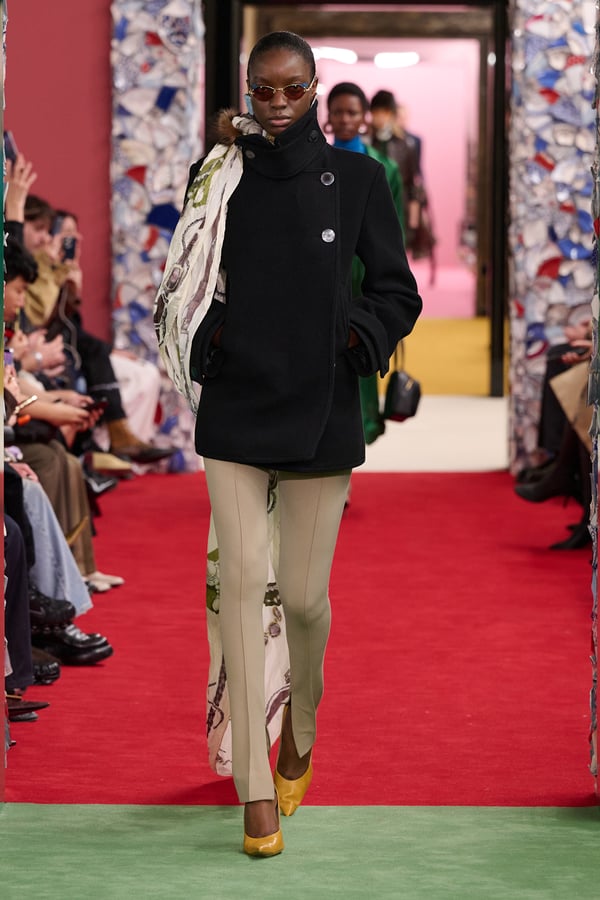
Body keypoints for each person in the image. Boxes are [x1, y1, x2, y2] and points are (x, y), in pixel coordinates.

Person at [154, 31, 422, 857]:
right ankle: (255, 787)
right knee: (239, 587)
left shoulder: (359, 180)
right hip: (236, 402)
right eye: (263, 90)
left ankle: (301, 721)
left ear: (314, 89)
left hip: (321, 406)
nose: (276, 104)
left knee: (302, 601)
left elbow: (397, 291)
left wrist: (356, 337)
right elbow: (189, 274)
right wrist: (209, 339)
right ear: (248, 89)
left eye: (292, 90)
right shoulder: (217, 176)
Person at [326, 81, 405, 445]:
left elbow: (394, 231)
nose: (345, 119)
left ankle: (361, 429)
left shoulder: (385, 167)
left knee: (362, 351)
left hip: (366, 277)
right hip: (326, 275)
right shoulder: (315, 163)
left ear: (364, 117)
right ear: (327, 116)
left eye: (352, 112)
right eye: (338, 112)